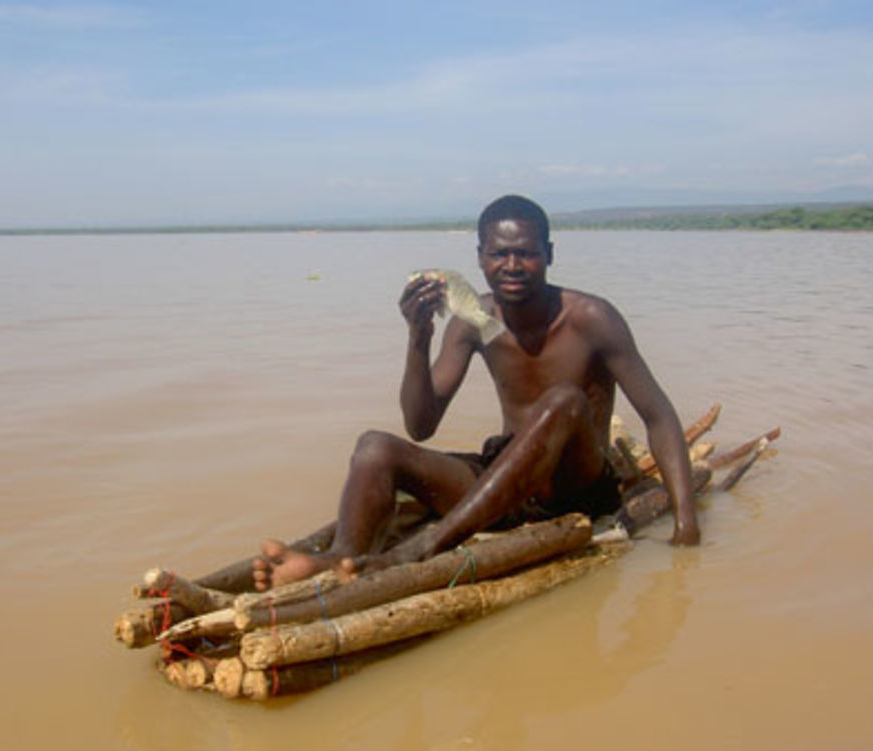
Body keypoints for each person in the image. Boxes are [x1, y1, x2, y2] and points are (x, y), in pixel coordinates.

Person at [252, 195, 699, 591]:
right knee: (374, 446)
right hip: (504, 483)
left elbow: (658, 416)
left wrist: (686, 524)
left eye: (525, 253)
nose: (511, 265)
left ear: (549, 255)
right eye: (499, 254)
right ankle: (341, 557)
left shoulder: (591, 318)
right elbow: (420, 425)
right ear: (480, 258)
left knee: (563, 399)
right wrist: (418, 336)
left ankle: (422, 547)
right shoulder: (474, 319)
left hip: (573, 487)